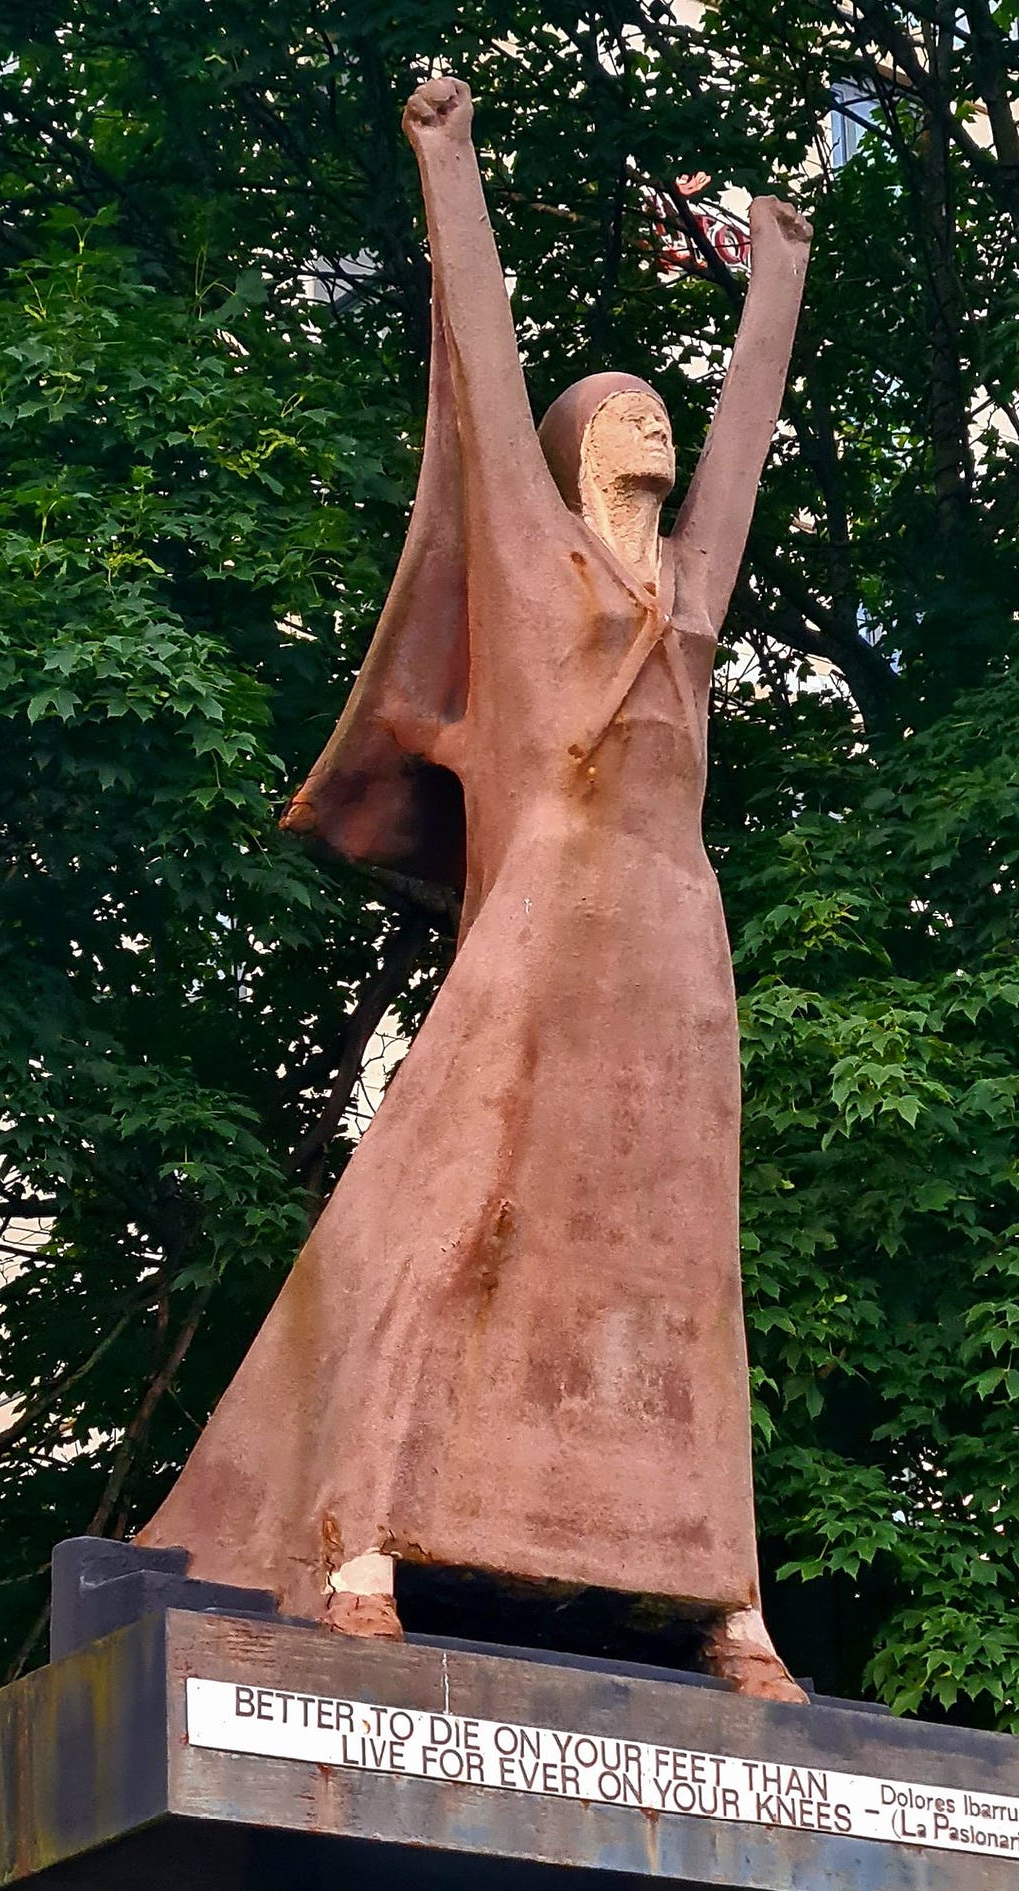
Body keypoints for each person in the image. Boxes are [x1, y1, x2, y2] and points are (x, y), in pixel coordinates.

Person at [137, 75, 813, 1701]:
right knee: (456, 1206)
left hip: (677, 935)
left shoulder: (695, 582)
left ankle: (730, 1606)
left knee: (680, 1263)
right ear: (583, 450)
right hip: (554, 911)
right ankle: (357, 1537)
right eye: (628, 410)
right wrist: (448, 166)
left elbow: (746, 440)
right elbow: (488, 372)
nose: (655, 423)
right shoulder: (532, 548)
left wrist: (779, 278)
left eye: (662, 406)